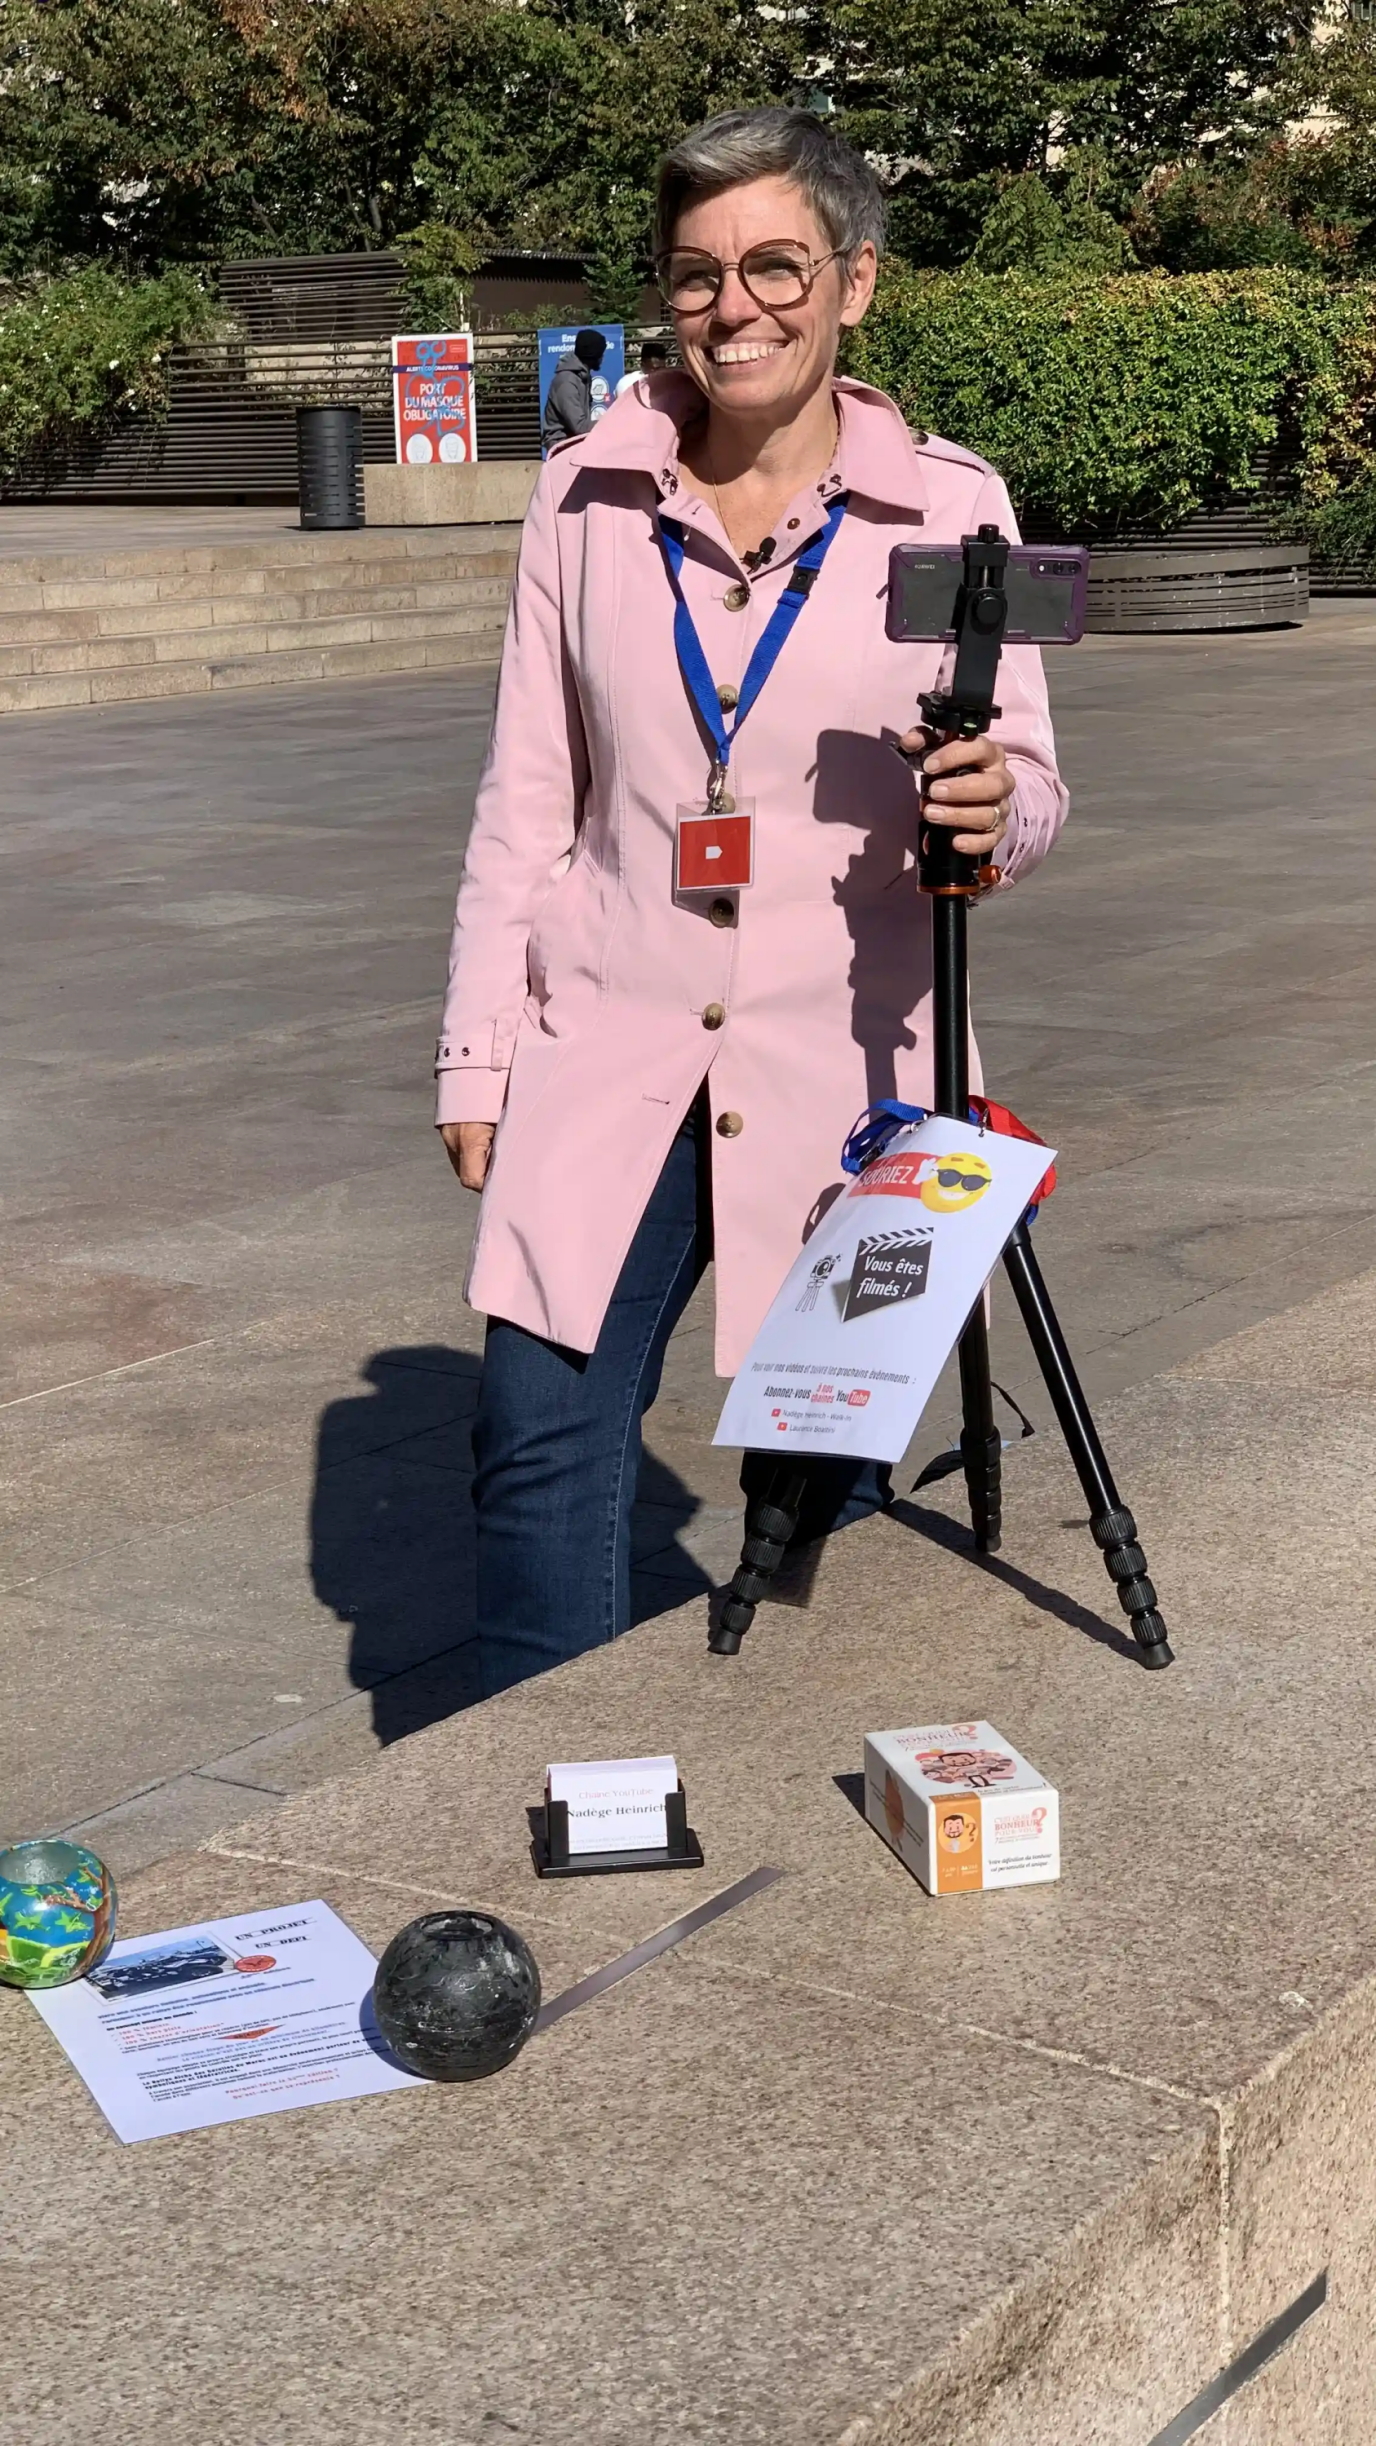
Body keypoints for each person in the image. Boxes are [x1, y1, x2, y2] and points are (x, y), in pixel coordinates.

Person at [437, 106, 1068, 1698]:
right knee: (539, 1452)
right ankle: (546, 1804)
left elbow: (1035, 781)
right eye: (700, 272)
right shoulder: (586, 497)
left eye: (778, 264)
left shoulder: (951, 505)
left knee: (815, 1503)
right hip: (607, 1034)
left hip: (849, 1070)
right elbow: (529, 796)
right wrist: (477, 1052)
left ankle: (775, 1788)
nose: (738, 305)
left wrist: (995, 812)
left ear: (855, 281)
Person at [540, 327, 607, 450]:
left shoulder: (582, 377)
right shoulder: (567, 382)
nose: (602, 358)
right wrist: (611, 424)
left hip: (574, 440)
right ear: (592, 355)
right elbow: (579, 426)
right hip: (560, 445)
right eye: (600, 354)